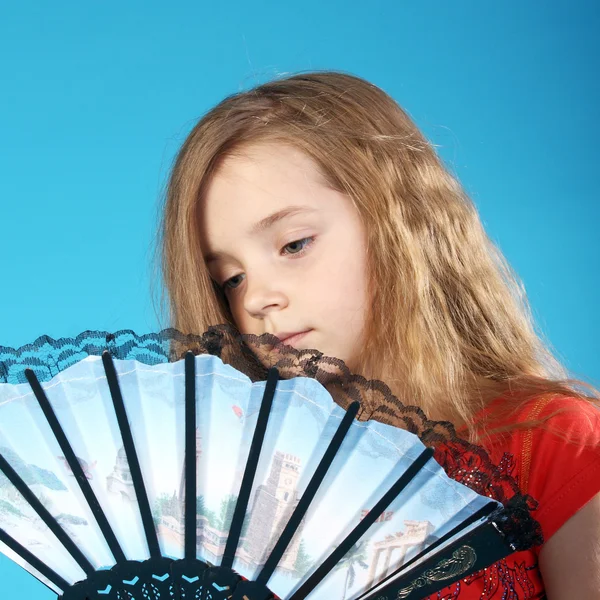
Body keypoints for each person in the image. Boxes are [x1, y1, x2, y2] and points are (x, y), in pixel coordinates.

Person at [158, 71, 600, 598]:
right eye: (230, 278)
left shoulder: (551, 443)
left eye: (294, 244)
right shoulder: (243, 498)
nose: (254, 299)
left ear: (400, 218)